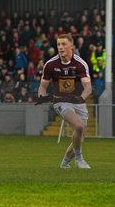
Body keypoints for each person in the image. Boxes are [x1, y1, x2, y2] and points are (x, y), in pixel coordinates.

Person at [35, 33, 92, 169]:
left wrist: (81, 98)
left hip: (78, 102)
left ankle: (65, 162)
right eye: (58, 44)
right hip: (61, 102)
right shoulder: (50, 64)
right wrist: (42, 97)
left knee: (80, 136)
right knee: (78, 126)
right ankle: (80, 159)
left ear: (71, 46)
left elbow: (88, 87)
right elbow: (43, 86)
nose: (60, 47)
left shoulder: (80, 64)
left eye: (64, 44)